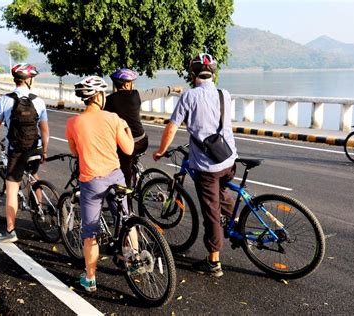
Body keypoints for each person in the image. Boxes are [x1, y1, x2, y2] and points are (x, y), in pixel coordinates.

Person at [152, 53, 238, 277]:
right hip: (228, 158)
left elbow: (172, 127)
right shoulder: (224, 94)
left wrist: (161, 151)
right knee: (222, 191)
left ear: (193, 73)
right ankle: (236, 220)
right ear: (213, 73)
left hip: (208, 165)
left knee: (211, 211)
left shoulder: (189, 96)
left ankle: (214, 262)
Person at [65, 76, 134, 292]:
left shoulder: (73, 123)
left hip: (91, 182)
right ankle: (133, 259)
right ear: (99, 96)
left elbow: (75, 152)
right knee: (126, 217)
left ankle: (91, 278)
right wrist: (127, 130)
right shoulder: (113, 118)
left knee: (90, 232)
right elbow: (129, 149)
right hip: (115, 176)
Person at [0, 63, 49, 243]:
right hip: (35, 147)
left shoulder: (5, 100)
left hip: (16, 150)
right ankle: (40, 210)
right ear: (29, 80)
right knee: (33, 174)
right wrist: (44, 150)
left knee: (12, 188)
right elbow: (45, 131)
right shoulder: (38, 101)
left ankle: (10, 231)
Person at [105, 68, 183, 186]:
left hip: (126, 145)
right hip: (142, 141)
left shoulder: (108, 101)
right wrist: (173, 89)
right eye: (132, 82)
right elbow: (154, 92)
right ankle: (134, 175)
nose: (133, 85)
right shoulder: (136, 95)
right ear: (126, 84)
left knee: (124, 176)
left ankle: (127, 200)